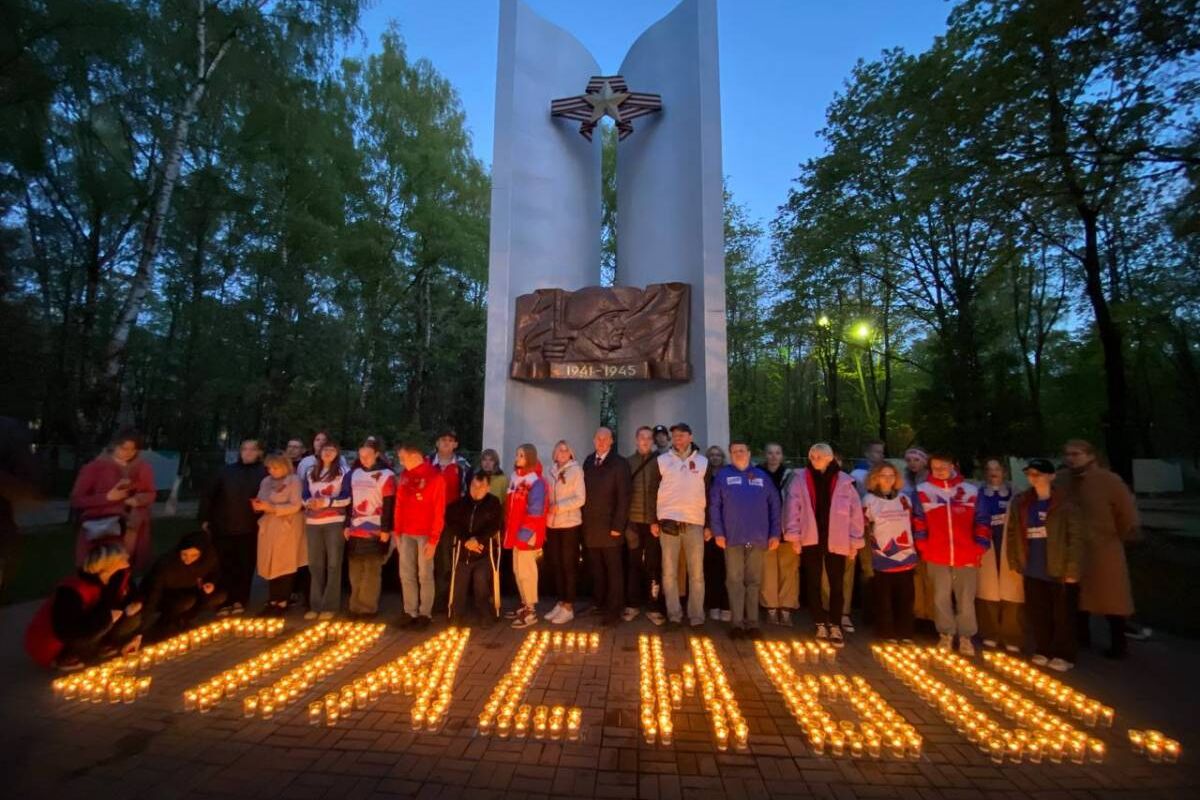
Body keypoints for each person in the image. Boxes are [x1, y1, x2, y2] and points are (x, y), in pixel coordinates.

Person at [1059, 439, 1139, 659]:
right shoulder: (1063, 480)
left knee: (1112, 598)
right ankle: (1081, 637)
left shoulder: (1109, 480)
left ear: (1090, 456)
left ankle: (1118, 644)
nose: (1071, 459)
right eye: (1067, 454)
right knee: (1076, 597)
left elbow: (1126, 514)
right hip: (1073, 548)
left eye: (1077, 454)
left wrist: (1116, 537)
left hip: (1104, 548)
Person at [1007, 458, 1084, 671]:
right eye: (1030, 474)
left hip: (1058, 566)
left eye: (1038, 474)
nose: (1033, 478)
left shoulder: (1065, 503)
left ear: (1051, 476)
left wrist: (1072, 568)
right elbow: (1014, 532)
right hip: (1033, 566)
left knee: (1063, 614)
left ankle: (1064, 654)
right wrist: (1015, 559)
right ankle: (1043, 648)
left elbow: (1076, 537)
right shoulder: (1022, 502)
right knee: (1038, 611)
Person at [784, 443, 864, 647]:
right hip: (811, 537)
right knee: (813, 582)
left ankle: (835, 624)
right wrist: (793, 535)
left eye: (819, 455)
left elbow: (856, 513)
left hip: (836, 538)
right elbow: (793, 507)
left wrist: (855, 539)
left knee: (837, 583)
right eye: (812, 455)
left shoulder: (846, 481)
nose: (815, 458)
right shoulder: (800, 479)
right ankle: (820, 622)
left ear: (830, 458)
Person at [25, 543, 143, 670]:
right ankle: (64, 657)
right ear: (108, 566)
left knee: (115, 619)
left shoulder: (109, 580)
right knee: (101, 627)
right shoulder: (73, 590)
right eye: (121, 557)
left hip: (80, 629)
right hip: (49, 645)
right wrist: (107, 620)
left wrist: (135, 629)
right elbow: (66, 630)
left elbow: (122, 599)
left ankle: (98, 646)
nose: (126, 556)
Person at [913, 452, 986, 654]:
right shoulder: (922, 491)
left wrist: (980, 545)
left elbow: (982, 519)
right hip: (936, 553)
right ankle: (945, 634)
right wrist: (923, 545)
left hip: (967, 553)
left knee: (966, 598)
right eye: (935, 468)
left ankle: (966, 637)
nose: (940, 471)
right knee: (940, 597)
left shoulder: (970, 491)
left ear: (954, 465)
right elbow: (918, 521)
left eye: (944, 466)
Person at [709, 439, 781, 640]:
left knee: (754, 581)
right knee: (734, 580)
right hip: (732, 538)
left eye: (742, 450)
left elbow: (775, 506)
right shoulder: (723, 476)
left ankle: (753, 623)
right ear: (730, 455)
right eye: (734, 451)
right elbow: (714, 506)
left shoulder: (762, 477)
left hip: (758, 537)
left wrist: (775, 533)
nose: (738, 454)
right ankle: (737, 624)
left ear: (749, 453)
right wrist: (718, 532)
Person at [70, 429, 157, 573]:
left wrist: (138, 499)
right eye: (124, 448)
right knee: (100, 569)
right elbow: (76, 500)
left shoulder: (143, 467)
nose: (129, 453)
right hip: (103, 528)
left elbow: (151, 493)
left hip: (132, 527)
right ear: (113, 445)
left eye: (133, 449)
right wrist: (107, 498)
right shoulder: (95, 468)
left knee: (125, 569)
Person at [199, 439, 267, 615]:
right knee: (224, 565)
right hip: (224, 527)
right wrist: (205, 518)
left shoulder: (265, 473)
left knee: (245, 566)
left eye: (253, 449)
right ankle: (224, 599)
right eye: (244, 449)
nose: (248, 452)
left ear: (260, 453)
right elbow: (209, 495)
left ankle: (240, 599)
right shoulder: (226, 472)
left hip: (250, 528)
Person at [656, 423, 709, 628]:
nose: (677, 438)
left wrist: (709, 524)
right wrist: (656, 520)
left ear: (690, 436)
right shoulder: (662, 461)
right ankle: (674, 615)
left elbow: (710, 494)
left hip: (694, 523)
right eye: (674, 436)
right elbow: (654, 490)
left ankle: (696, 616)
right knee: (669, 573)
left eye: (681, 435)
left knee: (696, 574)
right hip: (669, 523)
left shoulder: (703, 462)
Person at [861, 462, 918, 642]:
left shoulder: (904, 499)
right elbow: (865, 528)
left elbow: (912, 524)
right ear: (875, 478)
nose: (887, 479)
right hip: (882, 557)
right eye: (883, 476)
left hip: (906, 556)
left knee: (906, 597)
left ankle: (905, 632)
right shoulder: (869, 501)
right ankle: (886, 632)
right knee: (883, 599)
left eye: (891, 475)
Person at [393, 441, 446, 629]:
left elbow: (439, 510)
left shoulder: (434, 477)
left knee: (425, 574)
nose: (400, 461)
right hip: (406, 532)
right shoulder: (405, 476)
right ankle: (410, 610)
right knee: (406, 573)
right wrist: (397, 532)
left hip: (425, 533)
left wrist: (434, 539)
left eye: (403, 458)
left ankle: (425, 613)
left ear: (415, 457)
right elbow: (399, 505)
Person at [582, 427, 632, 626]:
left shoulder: (620, 463)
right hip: (591, 527)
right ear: (594, 440)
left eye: (605, 438)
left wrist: (618, 525)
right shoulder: (587, 461)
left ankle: (614, 609)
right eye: (598, 438)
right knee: (596, 569)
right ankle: (599, 603)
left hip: (611, 527)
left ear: (612, 441)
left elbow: (624, 497)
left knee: (614, 571)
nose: (601, 441)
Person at [974, 457, 1023, 652]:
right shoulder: (978, 493)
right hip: (987, 545)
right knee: (987, 591)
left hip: (1009, 545)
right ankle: (990, 632)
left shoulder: (1016, 493)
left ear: (1004, 471)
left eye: (996, 469)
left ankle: (1012, 635)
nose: (993, 473)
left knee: (1013, 591)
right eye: (989, 469)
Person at [343, 439, 395, 619]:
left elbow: (389, 503)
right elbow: (350, 502)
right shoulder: (355, 474)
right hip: (356, 528)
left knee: (371, 570)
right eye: (361, 456)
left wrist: (386, 529)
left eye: (368, 456)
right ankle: (354, 605)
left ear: (377, 455)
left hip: (376, 528)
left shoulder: (386, 474)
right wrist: (346, 524)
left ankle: (367, 607)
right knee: (355, 569)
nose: (364, 459)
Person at [140, 530, 225, 639]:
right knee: (187, 601)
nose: (188, 559)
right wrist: (140, 632)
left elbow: (215, 571)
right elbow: (153, 593)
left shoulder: (208, 558)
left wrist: (211, 583)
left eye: (194, 555)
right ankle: (162, 626)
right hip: (165, 596)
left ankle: (183, 620)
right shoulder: (167, 565)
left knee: (219, 596)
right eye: (184, 554)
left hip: (190, 591)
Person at [301, 438, 351, 620]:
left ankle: (330, 605)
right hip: (313, 522)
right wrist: (309, 502)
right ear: (319, 453)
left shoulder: (343, 472)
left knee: (333, 563)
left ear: (337, 453)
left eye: (332, 450)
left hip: (334, 521)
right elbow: (305, 493)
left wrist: (327, 501)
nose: (328, 453)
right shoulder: (309, 471)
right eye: (325, 450)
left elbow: (347, 496)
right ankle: (315, 604)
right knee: (315, 564)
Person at [252, 454, 305, 617]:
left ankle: (282, 601)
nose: (272, 471)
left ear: (285, 467)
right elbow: (261, 499)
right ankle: (272, 599)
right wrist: (258, 506)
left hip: (286, 526)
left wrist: (273, 508)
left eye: (275, 468)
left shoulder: (293, 481)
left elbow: (296, 505)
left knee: (284, 563)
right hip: (268, 527)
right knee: (270, 563)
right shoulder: (266, 482)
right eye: (269, 468)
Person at [447, 473, 503, 625]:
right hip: (463, 550)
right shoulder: (460, 503)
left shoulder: (493, 502)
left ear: (488, 487)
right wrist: (467, 540)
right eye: (474, 486)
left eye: (481, 486)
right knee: (460, 582)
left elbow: (494, 525)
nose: (477, 490)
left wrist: (478, 540)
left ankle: (485, 614)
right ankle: (456, 614)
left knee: (481, 582)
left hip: (483, 551)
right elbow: (453, 523)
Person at [624, 426, 665, 625]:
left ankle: (653, 606)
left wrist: (657, 520)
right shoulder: (627, 463)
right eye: (642, 437)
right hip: (632, 523)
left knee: (653, 566)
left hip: (653, 524)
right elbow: (623, 494)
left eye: (649, 438)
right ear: (636, 440)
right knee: (633, 564)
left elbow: (664, 493)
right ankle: (632, 604)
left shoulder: (660, 462)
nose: (646, 441)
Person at [505, 444, 548, 629]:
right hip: (514, 532)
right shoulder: (516, 477)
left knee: (527, 572)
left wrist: (525, 534)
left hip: (527, 534)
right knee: (517, 570)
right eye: (517, 454)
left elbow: (536, 510)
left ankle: (530, 610)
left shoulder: (536, 481)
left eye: (521, 455)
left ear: (529, 457)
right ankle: (524, 604)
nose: (517, 457)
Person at [428, 429, 472, 612]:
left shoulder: (464, 466)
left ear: (455, 444)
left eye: (450, 440)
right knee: (426, 560)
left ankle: (443, 600)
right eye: (443, 439)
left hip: (450, 521)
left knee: (446, 560)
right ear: (437, 443)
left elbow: (467, 496)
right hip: (427, 519)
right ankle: (426, 599)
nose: (446, 443)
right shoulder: (427, 463)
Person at [544, 440, 585, 625]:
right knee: (556, 565)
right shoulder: (550, 471)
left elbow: (580, 498)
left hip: (569, 524)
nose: (561, 452)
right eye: (558, 449)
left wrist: (559, 507)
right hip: (552, 525)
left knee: (568, 565)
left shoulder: (576, 471)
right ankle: (560, 602)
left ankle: (569, 605)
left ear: (571, 454)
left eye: (565, 450)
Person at [758, 442, 797, 625]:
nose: (774, 456)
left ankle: (786, 607)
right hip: (764, 529)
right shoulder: (756, 474)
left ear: (782, 456)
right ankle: (771, 607)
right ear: (764, 455)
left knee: (788, 570)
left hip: (787, 529)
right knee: (767, 570)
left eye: (777, 453)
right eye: (770, 453)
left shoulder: (791, 476)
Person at [703, 445, 731, 622]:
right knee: (710, 569)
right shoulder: (703, 477)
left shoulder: (728, 475)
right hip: (706, 529)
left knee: (728, 569)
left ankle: (726, 605)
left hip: (726, 529)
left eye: (718, 455)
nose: (715, 458)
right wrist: (708, 526)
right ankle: (713, 604)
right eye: (711, 455)